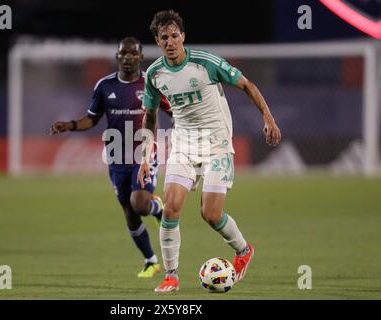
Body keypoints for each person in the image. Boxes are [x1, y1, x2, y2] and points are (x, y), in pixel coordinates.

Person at [138, 10, 282, 292]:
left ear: (183, 36)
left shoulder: (206, 63)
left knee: (211, 214)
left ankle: (243, 251)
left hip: (217, 145)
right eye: (164, 37)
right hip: (184, 145)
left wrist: (268, 118)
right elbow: (150, 116)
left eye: (175, 36)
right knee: (171, 207)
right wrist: (145, 155)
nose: (170, 42)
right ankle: (171, 276)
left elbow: (247, 85)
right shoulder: (155, 73)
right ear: (157, 41)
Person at [50, 37, 172, 278]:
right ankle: (151, 260)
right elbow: (92, 118)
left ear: (140, 57)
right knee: (129, 212)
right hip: (116, 156)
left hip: (143, 153)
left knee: (140, 203)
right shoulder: (104, 86)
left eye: (133, 54)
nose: (128, 58)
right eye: (123, 53)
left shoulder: (151, 82)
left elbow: (173, 109)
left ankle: (157, 207)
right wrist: (70, 125)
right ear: (117, 57)